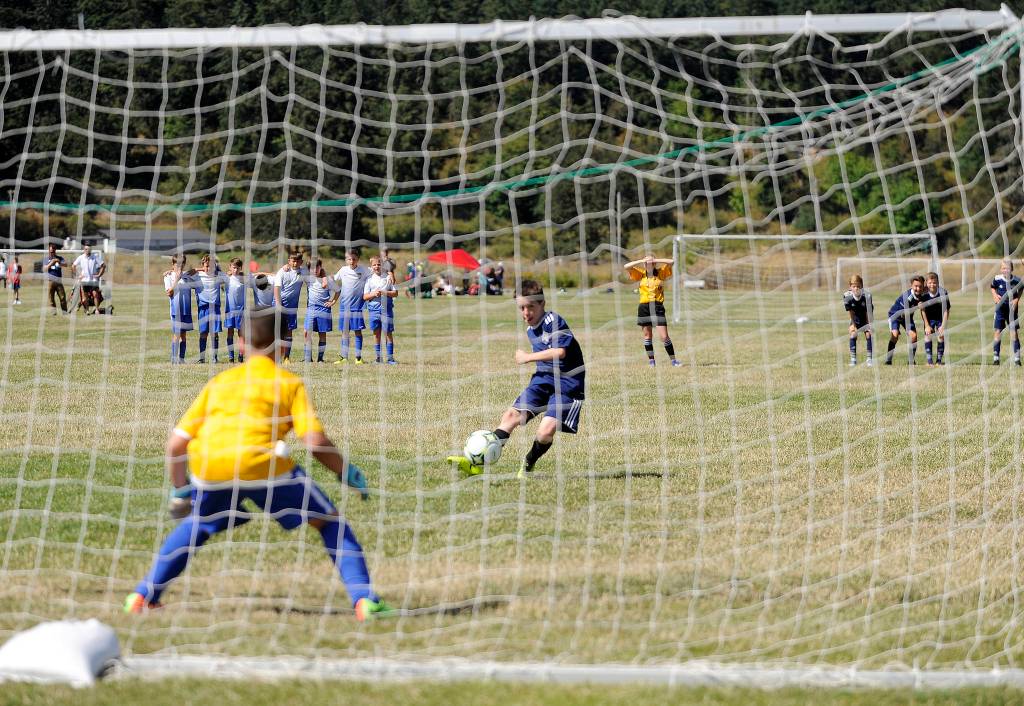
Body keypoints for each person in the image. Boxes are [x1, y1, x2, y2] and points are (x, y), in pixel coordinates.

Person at [123, 308, 391, 622]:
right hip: (264, 466)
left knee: (197, 525)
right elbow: (315, 442)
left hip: (211, 467)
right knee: (330, 523)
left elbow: (176, 444)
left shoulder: (220, 382)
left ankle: (142, 595)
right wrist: (347, 472)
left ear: (239, 343)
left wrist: (182, 489)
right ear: (284, 343)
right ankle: (364, 601)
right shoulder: (289, 383)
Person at [447, 279, 585, 478]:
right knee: (510, 416)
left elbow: (560, 351)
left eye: (531, 307)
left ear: (542, 304)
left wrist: (527, 357)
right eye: (521, 307)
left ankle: (529, 461)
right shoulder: (530, 329)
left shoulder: (553, 321)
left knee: (545, 432)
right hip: (543, 379)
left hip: (568, 384)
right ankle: (475, 462)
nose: (526, 313)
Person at [624, 255, 680, 367]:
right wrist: (641, 260)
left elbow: (672, 261)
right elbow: (626, 266)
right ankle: (651, 361)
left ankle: (674, 361)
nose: (647, 263)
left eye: (650, 261)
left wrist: (655, 260)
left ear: (654, 263)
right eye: (646, 262)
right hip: (644, 307)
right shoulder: (641, 273)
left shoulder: (661, 273)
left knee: (664, 336)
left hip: (657, 306)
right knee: (647, 336)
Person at [333, 250, 370, 365]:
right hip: (344, 307)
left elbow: (376, 271)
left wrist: (388, 274)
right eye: (349, 259)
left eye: (354, 259)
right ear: (346, 260)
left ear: (357, 259)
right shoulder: (343, 270)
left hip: (357, 307)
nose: (352, 261)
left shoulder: (364, 270)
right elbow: (333, 279)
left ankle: (358, 358)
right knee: (345, 333)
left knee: (358, 332)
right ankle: (344, 357)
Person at [163, 254, 201, 363]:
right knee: (176, 334)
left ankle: (182, 359)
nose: (179, 266)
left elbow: (197, 271)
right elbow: (169, 293)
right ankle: (174, 358)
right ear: (173, 264)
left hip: (186, 310)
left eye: (182, 264)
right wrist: (177, 279)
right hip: (176, 311)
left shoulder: (187, 276)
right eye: (177, 264)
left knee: (184, 335)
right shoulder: (168, 276)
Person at [274, 251, 307, 364]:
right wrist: (278, 304)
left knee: (289, 331)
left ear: (301, 262)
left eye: (297, 261)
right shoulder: (282, 271)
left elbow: (316, 273)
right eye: (293, 261)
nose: (295, 263)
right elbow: (277, 288)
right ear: (289, 261)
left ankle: (286, 357)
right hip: (279, 305)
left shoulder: (303, 272)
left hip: (292, 307)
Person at [364, 255, 398, 364]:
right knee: (376, 334)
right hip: (374, 310)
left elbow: (395, 293)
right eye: (374, 265)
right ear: (371, 266)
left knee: (388, 333)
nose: (376, 266)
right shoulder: (369, 279)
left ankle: (390, 358)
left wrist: (385, 292)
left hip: (386, 309)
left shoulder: (388, 277)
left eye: (379, 264)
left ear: (382, 265)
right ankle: (378, 358)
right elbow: (365, 296)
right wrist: (373, 294)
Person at [884, 275, 925, 365]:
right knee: (895, 335)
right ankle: (888, 360)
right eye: (916, 286)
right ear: (911, 286)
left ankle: (911, 361)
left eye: (920, 286)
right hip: (896, 316)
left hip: (907, 317)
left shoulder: (923, 292)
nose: (918, 288)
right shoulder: (907, 297)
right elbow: (903, 313)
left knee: (913, 336)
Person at [304, 259, 338, 363]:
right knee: (306, 332)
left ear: (320, 267)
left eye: (317, 267)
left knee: (322, 334)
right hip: (311, 308)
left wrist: (332, 302)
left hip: (324, 309)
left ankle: (320, 358)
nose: (315, 270)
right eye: (312, 268)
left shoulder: (327, 280)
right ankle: (308, 358)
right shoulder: (307, 278)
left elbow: (338, 290)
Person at [196, 254, 228, 364]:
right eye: (206, 266)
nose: (209, 268)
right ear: (203, 266)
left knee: (214, 333)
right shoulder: (198, 275)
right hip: (203, 308)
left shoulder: (219, 275)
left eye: (211, 266)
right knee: (203, 333)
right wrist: (199, 269)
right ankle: (202, 358)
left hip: (215, 308)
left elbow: (229, 276)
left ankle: (214, 358)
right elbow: (184, 274)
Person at [991, 259, 1023, 366]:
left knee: (1014, 333)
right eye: (1003, 268)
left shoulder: (1017, 281)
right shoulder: (997, 279)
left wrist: (1016, 299)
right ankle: (996, 358)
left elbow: (1021, 289)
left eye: (1008, 268)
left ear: (1012, 269)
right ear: (1001, 269)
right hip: (1000, 310)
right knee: (997, 332)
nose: (1006, 270)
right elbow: (992, 288)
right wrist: (995, 296)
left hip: (1012, 311)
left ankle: (1017, 359)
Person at [843, 274, 874, 366]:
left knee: (869, 334)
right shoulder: (847, 296)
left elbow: (868, 312)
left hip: (866, 317)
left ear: (862, 286)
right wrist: (854, 325)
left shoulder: (867, 296)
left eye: (858, 286)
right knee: (853, 334)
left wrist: (868, 324)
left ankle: (869, 359)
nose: (856, 288)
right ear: (850, 287)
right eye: (854, 286)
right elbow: (851, 312)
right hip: (855, 318)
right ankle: (853, 359)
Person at [921, 271, 951, 367]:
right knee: (928, 335)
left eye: (934, 283)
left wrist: (943, 325)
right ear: (926, 283)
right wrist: (926, 325)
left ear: (938, 283)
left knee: (941, 336)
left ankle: (938, 361)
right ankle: (929, 361)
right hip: (929, 319)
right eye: (930, 283)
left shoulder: (943, 293)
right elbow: (922, 310)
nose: (932, 285)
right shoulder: (924, 294)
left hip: (940, 318)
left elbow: (946, 310)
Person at [224, 258, 247, 363]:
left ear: (240, 268)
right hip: (229, 310)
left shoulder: (244, 279)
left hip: (241, 311)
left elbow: (257, 274)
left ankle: (241, 356)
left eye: (238, 268)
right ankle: (231, 357)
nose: (235, 270)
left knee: (241, 334)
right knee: (230, 332)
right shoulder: (226, 278)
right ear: (230, 267)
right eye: (233, 267)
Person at [73, 244, 105, 314]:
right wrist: (79, 275)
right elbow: (73, 266)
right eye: (86, 249)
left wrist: (99, 275)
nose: (88, 250)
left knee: (95, 294)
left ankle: (97, 310)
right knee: (85, 296)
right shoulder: (81, 257)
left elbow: (103, 265)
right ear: (84, 250)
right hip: (84, 281)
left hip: (93, 280)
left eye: (89, 249)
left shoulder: (95, 257)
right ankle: (87, 310)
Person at [44, 245, 68, 314]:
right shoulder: (46, 259)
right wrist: (52, 262)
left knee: (62, 297)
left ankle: (64, 311)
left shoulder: (59, 258)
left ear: (55, 251)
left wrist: (59, 262)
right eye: (51, 251)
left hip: (58, 281)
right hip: (50, 281)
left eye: (53, 251)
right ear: (49, 251)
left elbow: (66, 264)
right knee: (51, 297)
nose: (52, 253)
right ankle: (53, 312)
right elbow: (44, 269)